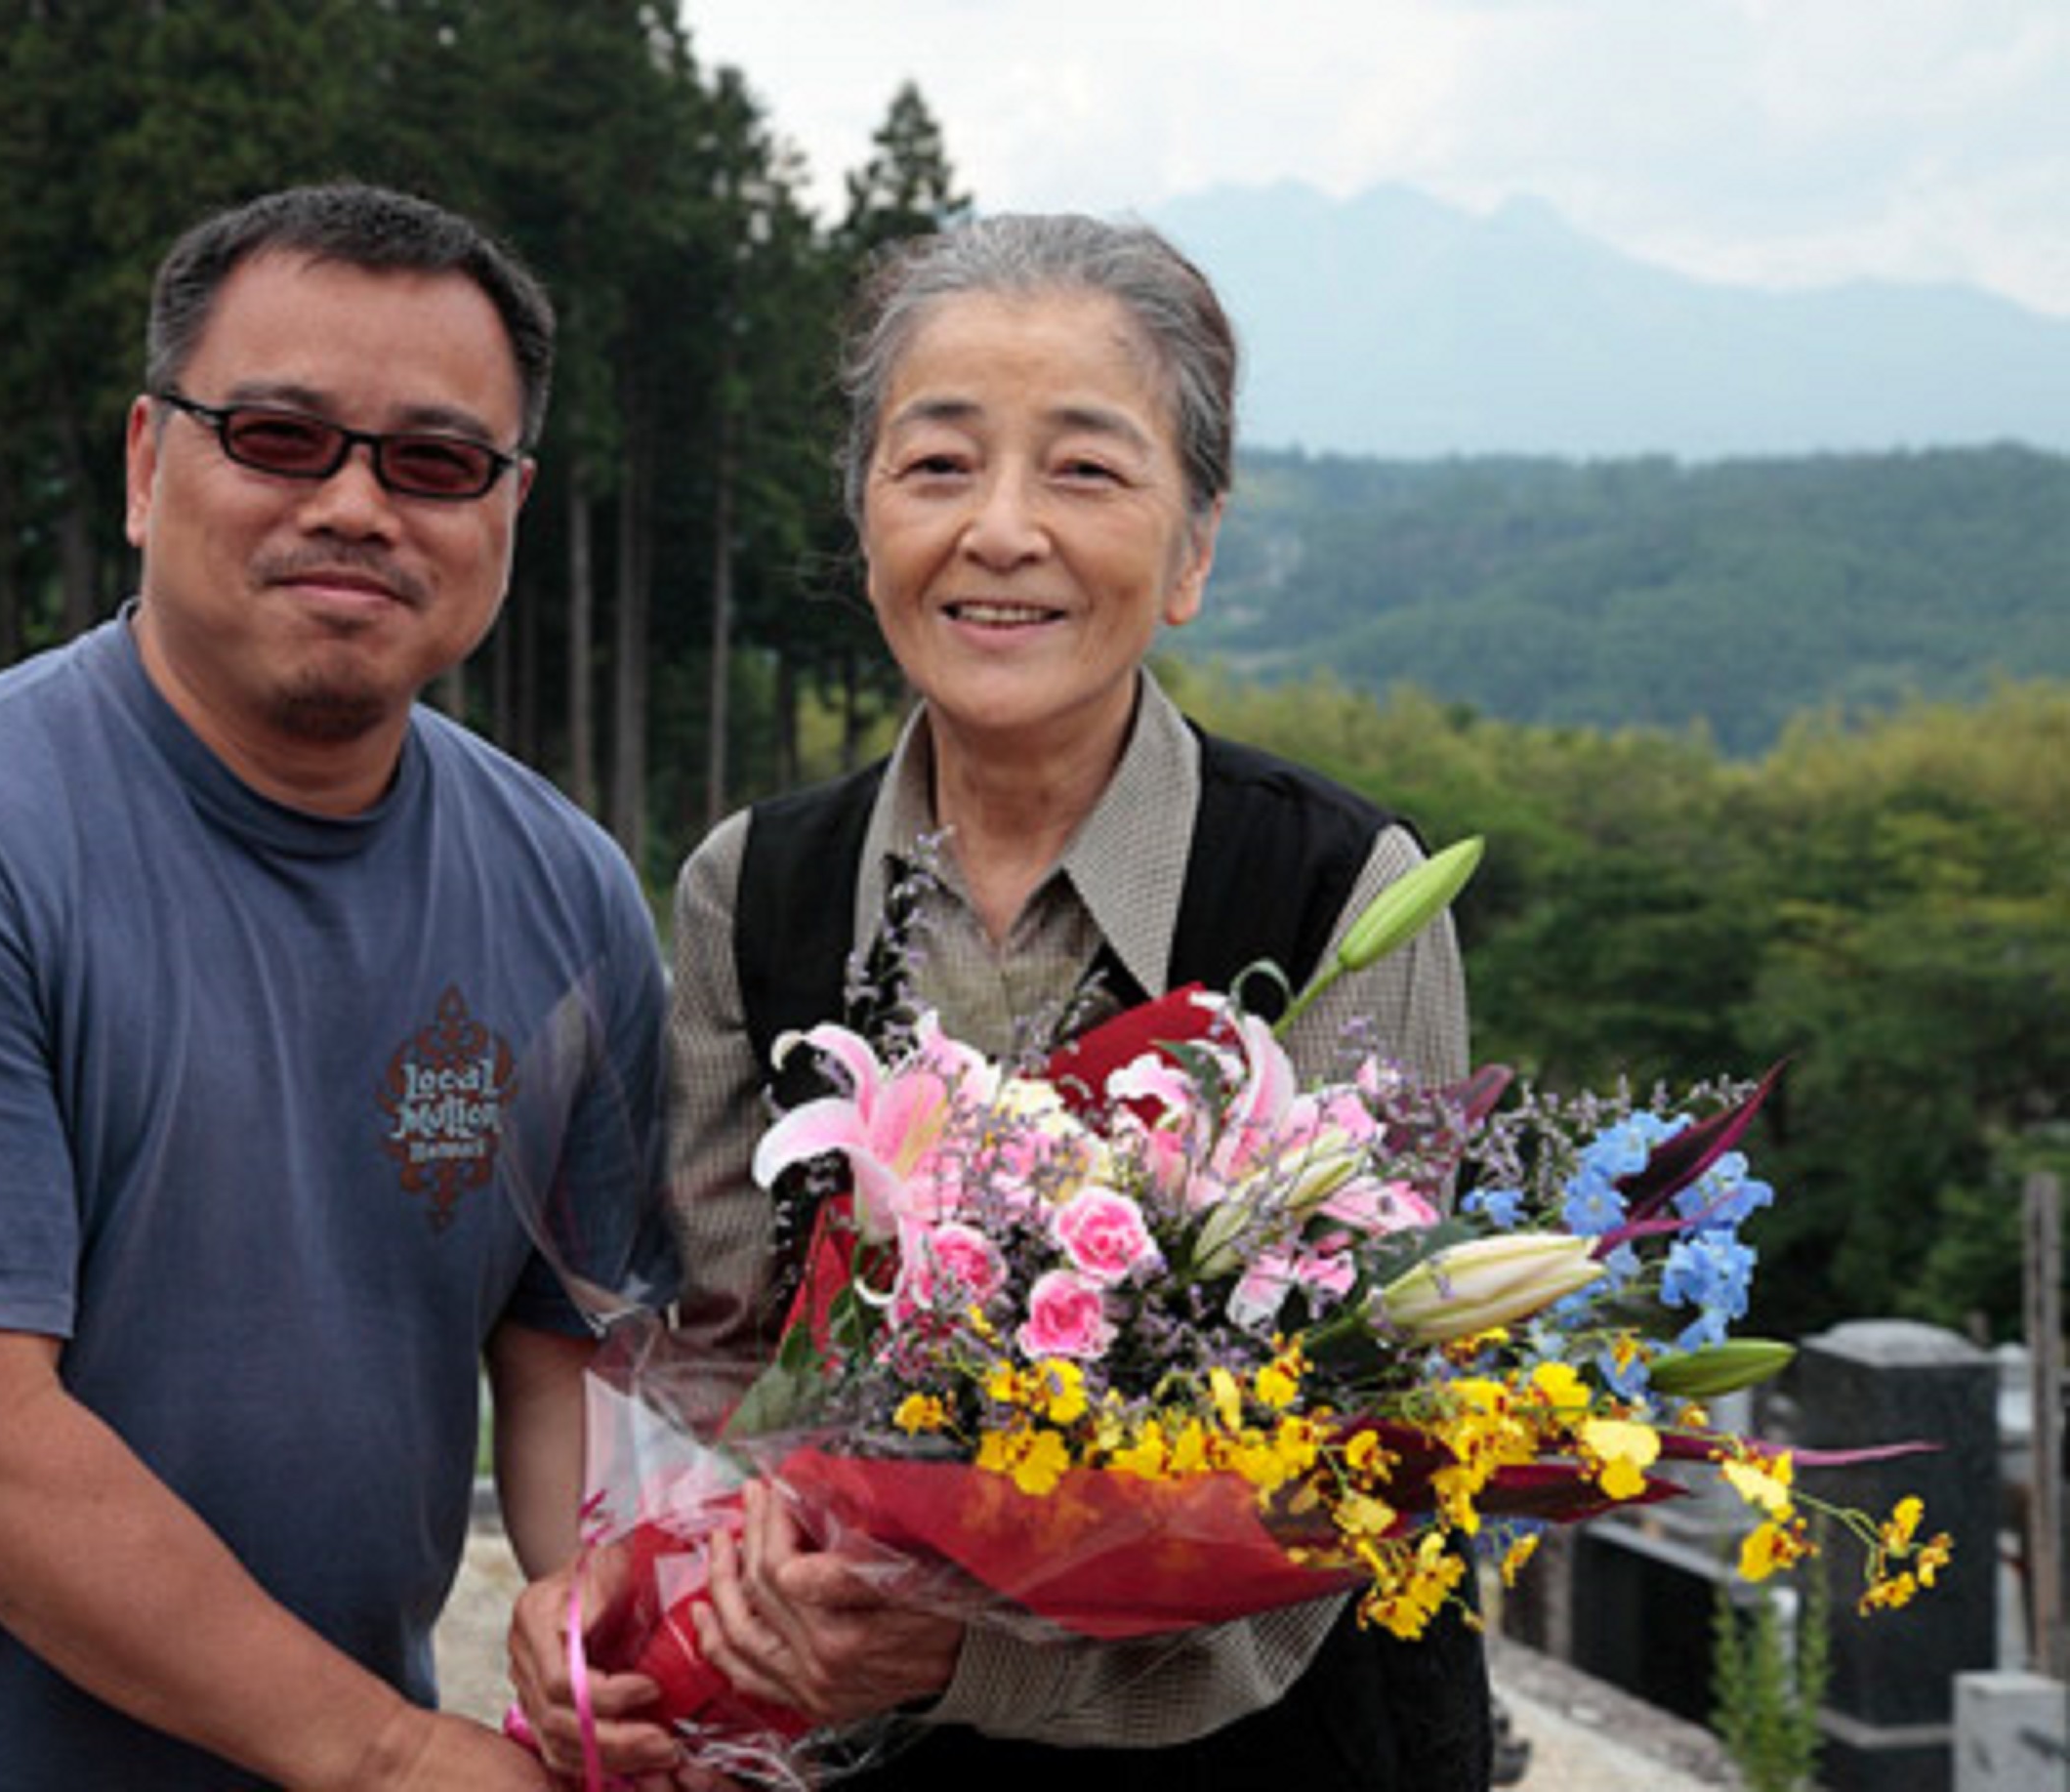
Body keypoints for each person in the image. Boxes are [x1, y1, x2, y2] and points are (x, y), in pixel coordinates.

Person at [0, 183, 674, 1791]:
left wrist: (601, 1627)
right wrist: (391, 1757)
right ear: (149, 464)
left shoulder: (564, 890)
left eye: (432, 462)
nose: (354, 505)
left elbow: (565, 1361)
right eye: (278, 438)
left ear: (506, 509)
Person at [511, 212, 1489, 1788]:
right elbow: (708, 1355)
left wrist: (977, 1659)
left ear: (1192, 550)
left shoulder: (1333, 899)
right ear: (865, 522)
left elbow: (1355, 1471)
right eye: (938, 465)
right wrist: (626, 1607)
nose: (1002, 530)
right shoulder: (751, 888)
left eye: (1087, 471)